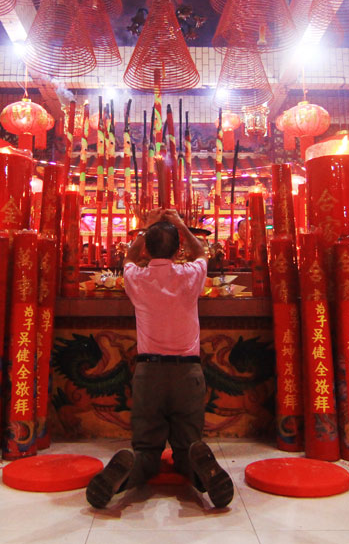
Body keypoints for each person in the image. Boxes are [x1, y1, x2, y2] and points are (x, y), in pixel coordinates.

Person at [86, 208, 234, 510]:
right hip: (187, 373)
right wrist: (181, 226)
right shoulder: (191, 275)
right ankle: (198, 461)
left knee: (147, 450)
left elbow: (127, 259)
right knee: (184, 449)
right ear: (178, 249)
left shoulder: (137, 279)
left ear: (146, 249)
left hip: (148, 374)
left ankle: (132, 463)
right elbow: (201, 252)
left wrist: (144, 226)